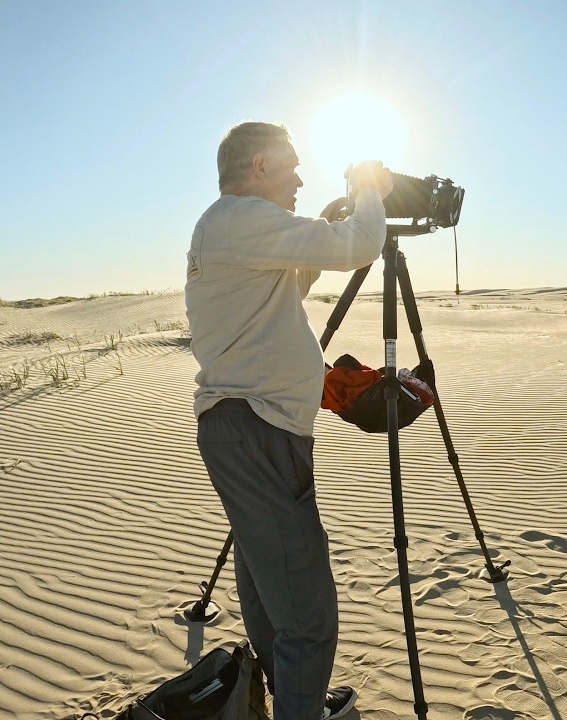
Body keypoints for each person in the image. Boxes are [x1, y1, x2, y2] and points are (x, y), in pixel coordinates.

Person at [185, 121, 393, 720]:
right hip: (258, 432)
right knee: (308, 617)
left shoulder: (226, 225)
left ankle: (293, 701)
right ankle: (300, 709)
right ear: (259, 167)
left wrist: (332, 217)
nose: (300, 178)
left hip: (245, 429)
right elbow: (358, 247)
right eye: (293, 165)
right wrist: (369, 188)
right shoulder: (241, 217)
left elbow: (290, 280)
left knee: (268, 589)